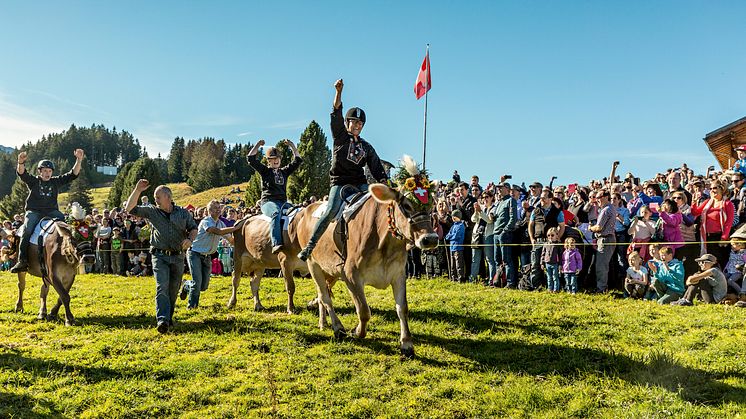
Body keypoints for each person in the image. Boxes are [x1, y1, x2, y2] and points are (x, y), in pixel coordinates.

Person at [298, 78, 389, 261]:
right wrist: (338, 92)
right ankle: (310, 246)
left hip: (360, 184)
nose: (356, 126)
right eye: (353, 122)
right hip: (339, 183)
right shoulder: (340, 137)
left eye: (360, 123)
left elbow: (377, 168)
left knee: (377, 204)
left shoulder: (367, 147)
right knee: (331, 210)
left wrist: (387, 184)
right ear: (347, 123)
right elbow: (336, 113)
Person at [125, 179, 198, 334]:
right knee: (162, 286)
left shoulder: (183, 213)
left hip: (178, 256)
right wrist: (137, 190)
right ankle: (162, 319)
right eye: (155, 197)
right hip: (159, 256)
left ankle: (168, 318)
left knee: (173, 289)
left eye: (158, 197)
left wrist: (190, 240)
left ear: (168, 198)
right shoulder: (152, 211)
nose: (155, 200)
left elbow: (193, 228)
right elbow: (129, 208)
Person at [10, 149, 85, 273]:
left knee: (67, 227)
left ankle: (70, 255)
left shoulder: (55, 181)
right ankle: (22, 260)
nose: (47, 173)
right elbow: (22, 174)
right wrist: (20, 162)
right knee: (27, 230)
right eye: (44, 170)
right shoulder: (34, 181)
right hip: (34, 212)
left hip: (52, 212)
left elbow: (73, 174)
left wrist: (79, 160)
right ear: (39, 171)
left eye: (49, 171)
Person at [247, 139, 302, 254]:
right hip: (268, 202)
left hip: (283, 202)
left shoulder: (284, 172)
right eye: (273, 159)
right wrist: (257, 145)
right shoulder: (265, 171)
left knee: (298, 212)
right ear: (268, 161)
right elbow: (250, 159)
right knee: (275, 214)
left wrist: (292, 146)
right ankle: (276, 243)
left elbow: (297, 160)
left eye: (277, 158)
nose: (276, 160)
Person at [180, 200, 234, 309]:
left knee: (203, 286)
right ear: (209, 211)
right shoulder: (206, 221)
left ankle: (186, 285)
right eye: (215, 208)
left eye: (219, 208)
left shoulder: (221, 223)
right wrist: (235, 228)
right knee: (197, 282)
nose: (218, 210)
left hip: (206, 256)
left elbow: (230, 239)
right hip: (194, 253)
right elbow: (216, 231)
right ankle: (192, 307)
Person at [691, 179, 735, 270]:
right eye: (710, 188)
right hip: (706, 236)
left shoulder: (727, 204)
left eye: (714, 188)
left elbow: (729, 222)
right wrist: (694, 202)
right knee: (708, 261)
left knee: (720, 260)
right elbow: (695, 212)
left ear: (722, 189)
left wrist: (724, 237)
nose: (712, 190)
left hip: (719, 237)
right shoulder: (707, 202)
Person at [589, 190, 617, 293]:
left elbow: (599, 227)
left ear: (605, 197)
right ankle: (603, 287)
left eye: (599, 197)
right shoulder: (611, 208)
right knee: (604, 265)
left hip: (605, 239)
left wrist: (590, 228)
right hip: (608, 238)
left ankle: (601, 289)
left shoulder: (605, 210)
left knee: (601, 266)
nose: (597, 200)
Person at [491, 182, 518, 287]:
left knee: (507, 259)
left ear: (507, 188)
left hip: (504, 234)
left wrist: (505, 231)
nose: (498, 190)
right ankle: (499, 281)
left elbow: (513, 218)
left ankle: (510, 282)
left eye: (500, 188)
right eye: (497, 188)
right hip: (495, 233)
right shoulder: (499, 202)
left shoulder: (511, 200)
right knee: (497, 259)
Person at [444, 209, 466, 282]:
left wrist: (450, 237)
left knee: (458, 264)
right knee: (452, 265)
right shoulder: (453, 225)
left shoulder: (461, 225)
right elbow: (448, 235)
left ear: (458, 217)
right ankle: (454, 278)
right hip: (452, 248)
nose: (453, 217)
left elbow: (456, 236)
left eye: (454, 216)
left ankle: (461, 278)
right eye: (452, 216)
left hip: (458, 248)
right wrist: (449, 237)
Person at [541, 227, 562, 293]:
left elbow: (561, 256)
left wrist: (560, 265)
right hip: (547, 263)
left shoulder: (558, 245)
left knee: (555, 277)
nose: (550, 237)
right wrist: (542, 263)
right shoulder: (546, 244)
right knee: (549, 277)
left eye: (552, 235)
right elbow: (543, 254)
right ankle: (550, 289)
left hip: (555, 263)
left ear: (557, 235)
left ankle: (556, 289)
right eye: (548, 235)